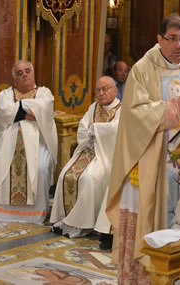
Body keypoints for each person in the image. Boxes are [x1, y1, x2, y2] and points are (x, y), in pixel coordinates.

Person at [105, 14, 180, 283]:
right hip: (151, 161)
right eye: (172, 39)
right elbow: (133, 114)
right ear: (159, 39)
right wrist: (173, 109)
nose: (178, 45)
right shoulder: (142, 69)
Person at [0, 61, 57, 224]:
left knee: (41, 168)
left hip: (38, 142)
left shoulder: (44, 93)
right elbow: (4, 112)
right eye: (19, 73)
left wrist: (18, 109)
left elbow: (44, 109)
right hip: (6, 142)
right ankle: (1, 213)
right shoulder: (5, 94)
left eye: (27, 71)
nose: (24, 74)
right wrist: (27, 114)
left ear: (33, 74)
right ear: (15, 80)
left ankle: (36, 213)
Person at [50, 76, 121, 239]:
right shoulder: (93, 107)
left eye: (105, 89)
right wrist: (94, 131)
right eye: (98, 90)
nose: (101, 93)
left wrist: (95, 128)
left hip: (107, 156)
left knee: (90, 179)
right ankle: (67, 219)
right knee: (65, 174)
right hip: (88, 151)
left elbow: (116, 130)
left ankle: (84, 223)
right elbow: (83, 128)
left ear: (115, 90)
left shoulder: (121, 109)